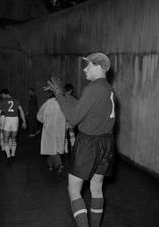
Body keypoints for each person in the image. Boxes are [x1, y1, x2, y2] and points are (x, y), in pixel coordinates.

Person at [47, 52, 116, 227]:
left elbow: (74, 118)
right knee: (96, 188)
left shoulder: (92, 89)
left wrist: (59, 95)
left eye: (88, 65)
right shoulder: (108, 89)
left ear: (98, 67)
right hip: (106, 143)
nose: (85, 69)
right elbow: (84, 106)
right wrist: (63, 92)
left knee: (74, 190)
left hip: (89, 144)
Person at [37, 89, 66, 174]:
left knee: (51, 147)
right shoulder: (63, 102)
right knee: (55, 147)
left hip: (49, 128)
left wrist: (44, 121)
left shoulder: (48, 103)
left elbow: (39, 116)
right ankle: (51, 165)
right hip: (60, 128)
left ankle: (58, 164)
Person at [0, 89, 26, 161]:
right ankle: (13, 154)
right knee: (13, 138)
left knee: (6, 139)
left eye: (2, 95)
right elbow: (21, 110)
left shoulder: (3, 101)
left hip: (7, 119)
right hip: (15, 119)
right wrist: (24, 121)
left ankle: (8, 156)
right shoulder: (16, 100)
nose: (2, 96)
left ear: (4, 94)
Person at [64, 83, 76, 152]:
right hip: (71, 118)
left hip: (64, 119)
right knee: (71, 133)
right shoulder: (73, 98)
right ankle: (73, 147)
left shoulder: (63, 97)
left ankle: (65, 150)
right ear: (71, 90)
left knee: (65, 135)